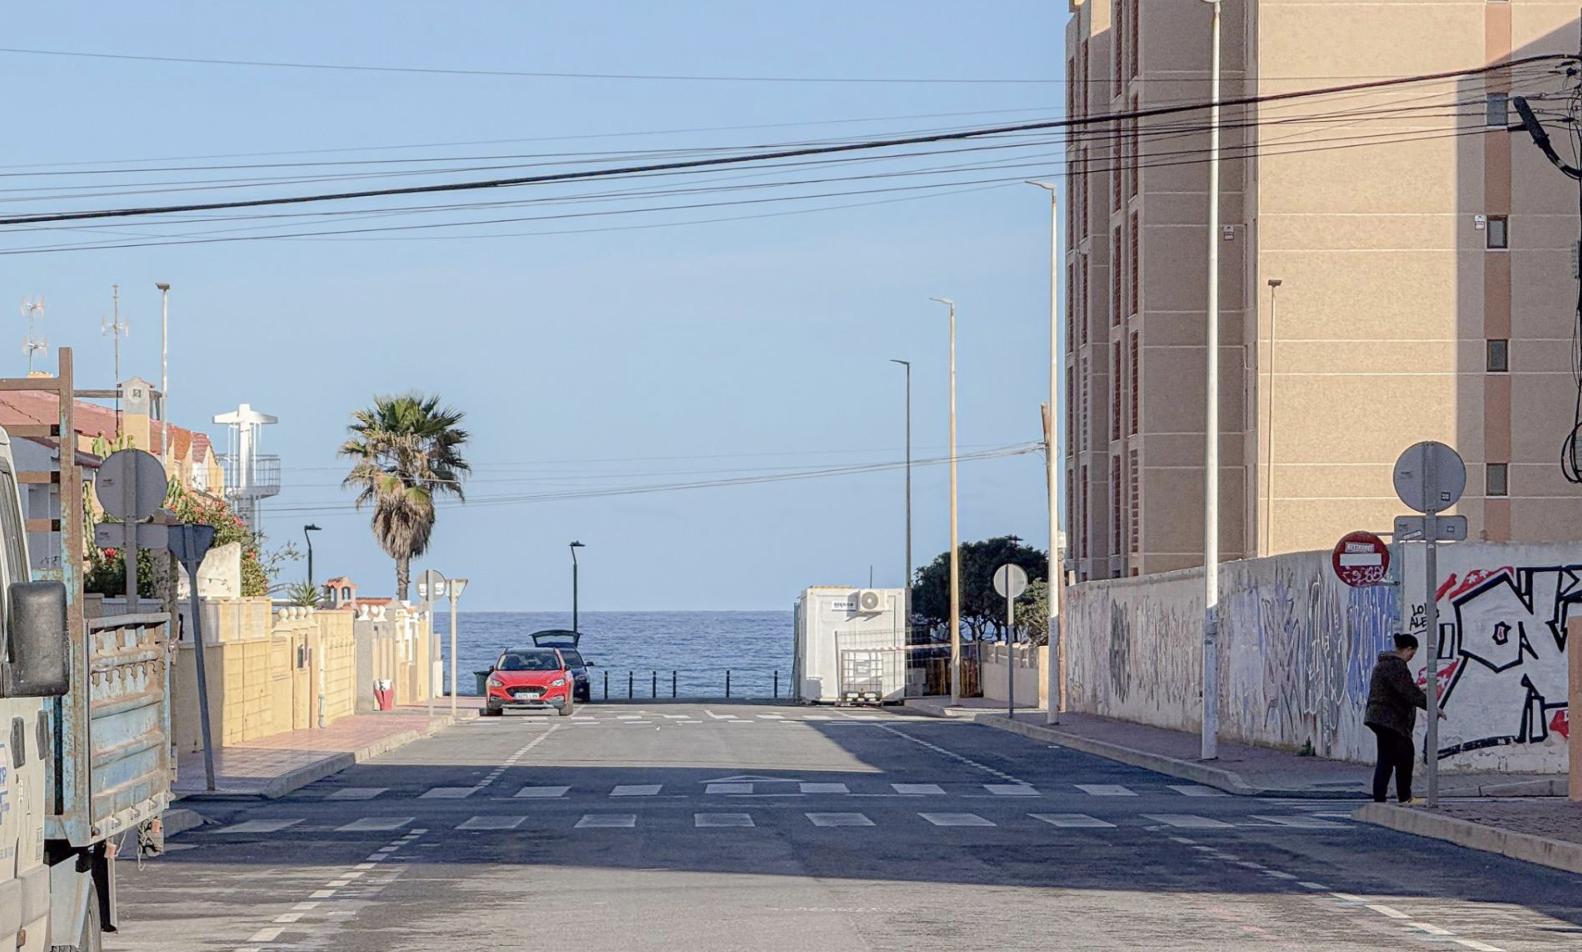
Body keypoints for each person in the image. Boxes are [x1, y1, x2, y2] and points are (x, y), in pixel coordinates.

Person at [1363, 633, 1441, 803]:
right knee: (1404, 756)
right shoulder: (1395, 666)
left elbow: (1405, 690)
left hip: (1380, 718)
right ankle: (1404, 797)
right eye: (1412, 654)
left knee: (1387, 758)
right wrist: (1432, 707)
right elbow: (1409, 692)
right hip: (1390, 720)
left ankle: (1381, 798)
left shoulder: (1385, 665)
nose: (1411, 657)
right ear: (1407, 649)